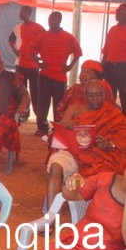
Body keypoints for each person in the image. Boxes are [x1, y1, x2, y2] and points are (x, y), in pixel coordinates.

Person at [45, 79, 126, 209]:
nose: (95, 98)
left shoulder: (113, 112)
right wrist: (66, 125)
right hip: (73, 152)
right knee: (56, 166)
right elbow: (59, 130)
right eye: (91, 94)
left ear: (104, 94)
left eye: (98, 94)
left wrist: (109, 144)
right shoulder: (75, 109)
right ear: (85, 95)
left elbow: (122, 135)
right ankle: (50, 217)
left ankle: (98, 211)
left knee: (108, 172)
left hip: (100, 154)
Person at [32, 11, 82, 136]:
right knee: (42, 103)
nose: (51, 22)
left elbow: (78, 53)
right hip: (44, 75)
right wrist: (38, 63)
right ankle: (42, 128)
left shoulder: (68, 37)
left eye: (54, 20)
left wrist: (70, 66)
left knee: (59, 105)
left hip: (60, 77)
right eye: (50, 20)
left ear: (59, 21)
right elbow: (31, 50)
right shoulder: (43, 36)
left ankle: (57, 128)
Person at [9, 6, 44, 121]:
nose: (20, 14)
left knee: (36, 92)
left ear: (28, 13)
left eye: (23, 12)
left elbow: (45, 42)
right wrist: (14, 50)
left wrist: (39, 57)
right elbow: (10, 39)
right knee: (21, 91)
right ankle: (24, 114)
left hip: (33, 67)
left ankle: (39, 116)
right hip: (20, 65)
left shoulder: (38, 28)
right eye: (20, 12)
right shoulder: (17, 28)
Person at [101, 3, 126, 113]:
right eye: (117, 11)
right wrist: (102, 67)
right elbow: (106, 51)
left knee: (124, 97)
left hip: (123, 68)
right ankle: (110, 123)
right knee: (109, 98)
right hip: (110, 67)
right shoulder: (112, 30)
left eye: (121, 11)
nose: (118, 13)